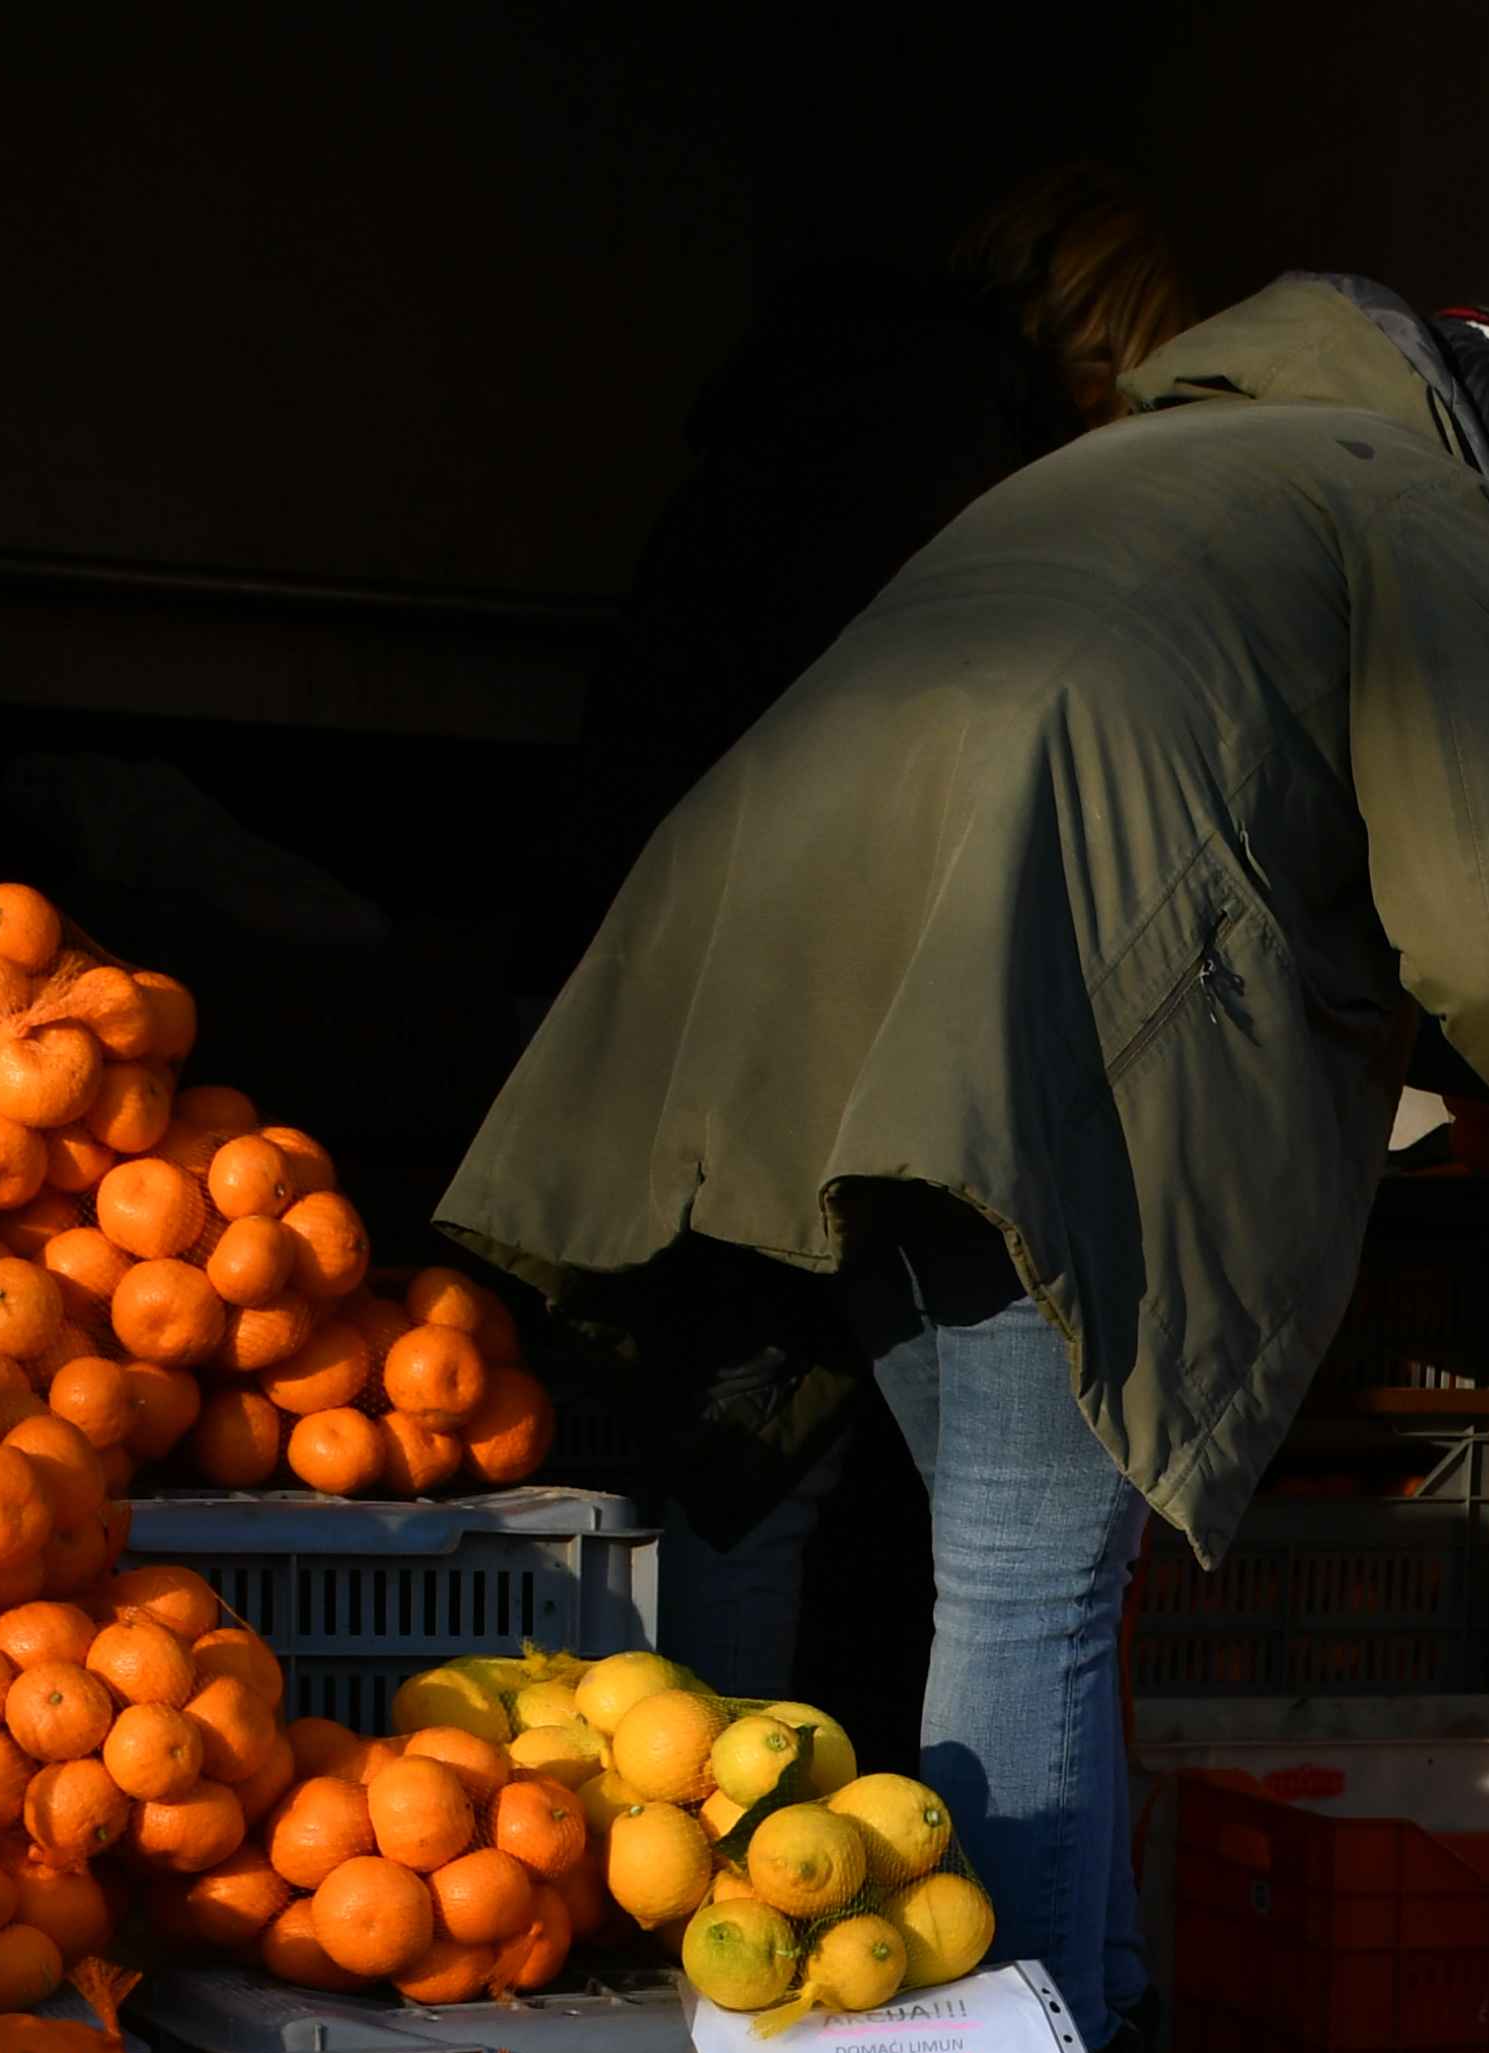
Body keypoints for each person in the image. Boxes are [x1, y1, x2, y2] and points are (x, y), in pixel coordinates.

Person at [444, 274, 1489, 2042]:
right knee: (1033, 1572)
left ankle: (896, 2032)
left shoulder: (1121, 474)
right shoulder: (1420, 506)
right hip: (1020, 1026)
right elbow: (1488, 935)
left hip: (792, 994)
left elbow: (1243, 818)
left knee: (848, 1518)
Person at [512, 170, 1195, 1745]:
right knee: (778, 1467)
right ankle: (725, 1859)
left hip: (687, 970)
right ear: (1093, 337)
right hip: (803, 1012)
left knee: (730, 1450)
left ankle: (695, 1852)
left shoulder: (811, 422)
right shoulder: (954, 452)